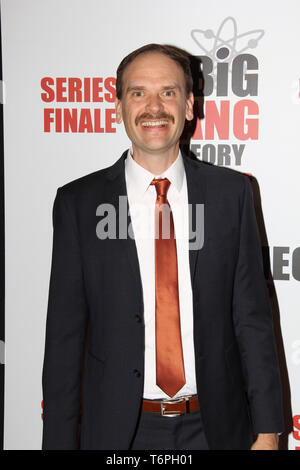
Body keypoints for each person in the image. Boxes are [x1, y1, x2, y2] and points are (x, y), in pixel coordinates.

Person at [42, 43, 284, 450]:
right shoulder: (78, 205)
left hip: (217, 429)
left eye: (168, 92)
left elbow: (253, 322)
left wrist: (268, 429)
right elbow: (64, 341)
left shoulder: (231, 194)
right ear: (118, 107)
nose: (154, 107)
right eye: (138, 93)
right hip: (122, 433)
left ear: (189, 105)